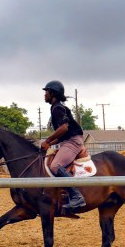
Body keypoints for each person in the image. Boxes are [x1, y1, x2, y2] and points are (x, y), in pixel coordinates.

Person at [39, 80, 86, 212]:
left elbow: (64, 128)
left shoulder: (57, 108)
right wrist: (48, 144)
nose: (44, 95)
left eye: (46, 92)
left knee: (55, 166)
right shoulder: (56, 107)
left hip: (72, 141)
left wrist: (47, 140)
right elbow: (60, 136)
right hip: (67, 141)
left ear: (52, 93)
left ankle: (76, 196)